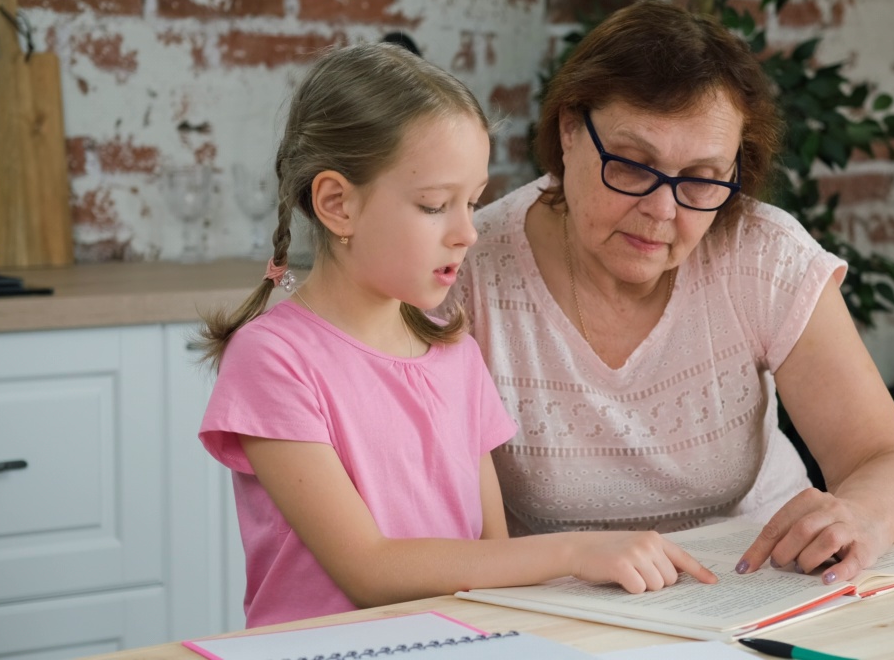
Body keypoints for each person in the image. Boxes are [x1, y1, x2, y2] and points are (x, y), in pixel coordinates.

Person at [195, 43, 716, 628]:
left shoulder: (453, 351)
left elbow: (492, 558)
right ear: (337, 205)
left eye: (472, 203)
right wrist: (574, 550)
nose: (467, 232)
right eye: (435, 205)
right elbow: (368, 571)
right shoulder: (273, 360)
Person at [443, 0, 894, 586]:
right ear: (570, 130)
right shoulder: (468, 271)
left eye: (702, 179)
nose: (661, 210)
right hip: (569, 607)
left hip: (759, 583)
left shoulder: (761, 253)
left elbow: (891, 459)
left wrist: (862, 517)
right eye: (630, 164)